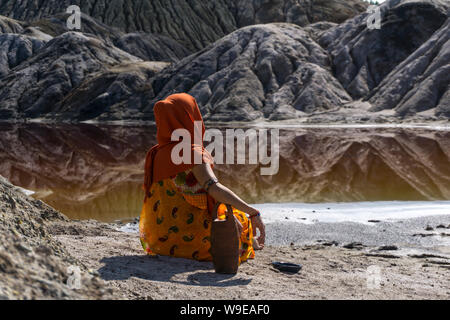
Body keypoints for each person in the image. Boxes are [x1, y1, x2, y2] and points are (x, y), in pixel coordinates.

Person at [139, 93, 265, 263]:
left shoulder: (155, 153)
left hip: (158, 241)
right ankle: (249, 241)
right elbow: (213, 188)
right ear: (190, 117)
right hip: (193, 243)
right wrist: (253, 212)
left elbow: (189, 195)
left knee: (228, 213)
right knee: (240, 219)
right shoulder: (192, 151)